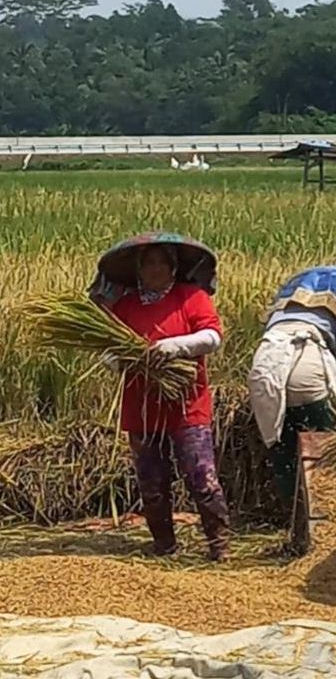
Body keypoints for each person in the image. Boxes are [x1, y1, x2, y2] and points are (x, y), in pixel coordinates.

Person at [89, 232, 230, 562]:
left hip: (187, 405)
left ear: (172, 267)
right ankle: (164, 546)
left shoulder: (190, 297)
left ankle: (219, 545)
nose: (155, 269)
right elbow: (106, 349)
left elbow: (212, 337)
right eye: (148, 263)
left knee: (202, 476)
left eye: (161, 263)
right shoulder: (125, 306)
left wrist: (176, 346)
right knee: (151, 482)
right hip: (142, 408)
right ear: (138, 270)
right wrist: (120, 360)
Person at [248, 265, 336, 508]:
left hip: (266, 365)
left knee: (283, 447)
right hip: (308, 362)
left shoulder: (286, 307)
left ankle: (293, 520)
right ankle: (328, 515)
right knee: (327, 446)